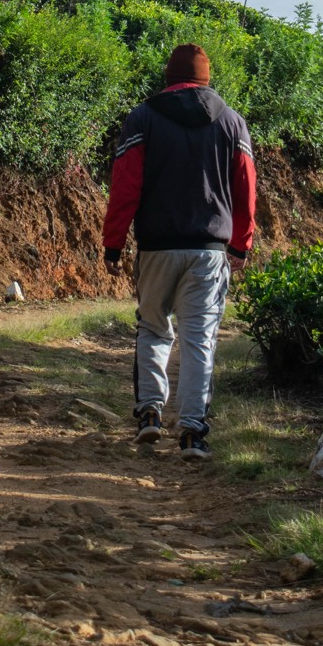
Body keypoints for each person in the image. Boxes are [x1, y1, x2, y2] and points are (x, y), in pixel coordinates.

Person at [102, 42, 255, 460]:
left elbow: (125, 187)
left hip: (156, 247)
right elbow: (245, 190)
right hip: (208, 251)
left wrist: (113, 243)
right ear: (207, 79)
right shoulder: (232, 123)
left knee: (153, 327)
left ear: (168, 78)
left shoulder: (144, 117)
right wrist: (242, 243)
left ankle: (150, 414)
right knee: (198, 338)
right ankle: (192, 434)